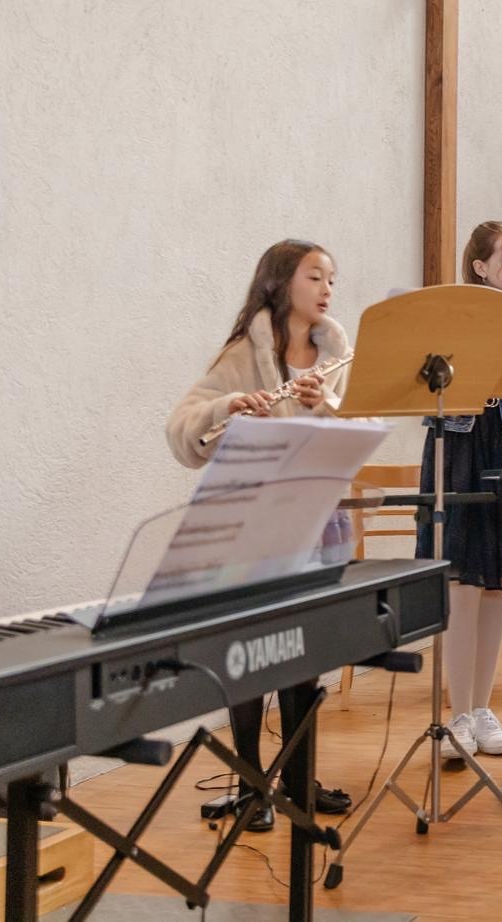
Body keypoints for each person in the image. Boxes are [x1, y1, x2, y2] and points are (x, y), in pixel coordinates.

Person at [166, 240, 353, 831]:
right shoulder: (243, 353)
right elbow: (183, 428)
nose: (327, 289)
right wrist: (229, 408)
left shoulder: (334, 355)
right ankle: (251, 784)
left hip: (315, 518)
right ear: (280, 282)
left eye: (331, 279)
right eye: (314, 276)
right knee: (248, 655)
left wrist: (327, 404)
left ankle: (298, 778)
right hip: (252, 522)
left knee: (305, 654)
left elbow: (354, 429)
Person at [421, 221, 502, 760]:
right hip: (460, 445)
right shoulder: (455, 315)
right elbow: (429, 381)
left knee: (497, 584)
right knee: (462, 583)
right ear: (480, 267)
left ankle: (482, 708)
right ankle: (457, 715)